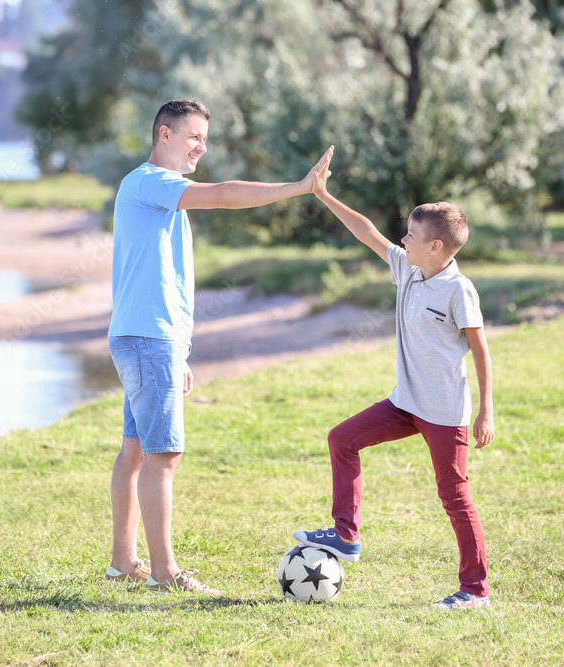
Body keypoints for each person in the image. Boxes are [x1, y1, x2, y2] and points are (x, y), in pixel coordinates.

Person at [104, 99, 334, 595]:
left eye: (205, 140)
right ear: (163, 134)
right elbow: (227, 195)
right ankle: (164, 574)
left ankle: (124, 562)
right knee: (163, 456)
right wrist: (299, 186)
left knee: (136, 450)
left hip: (147, 337)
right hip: (148, 339)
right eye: (193, 138)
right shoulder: (152, 183)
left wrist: (180, 352)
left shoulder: (150, 191)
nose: (201, 148)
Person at [293, 147, 496, 610]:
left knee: (455, 498)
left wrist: (485, 411)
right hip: (405, 402)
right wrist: (324, 195)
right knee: (341, 439)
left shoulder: (458, 290)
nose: (403, 239)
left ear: (436, 247)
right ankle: (346, 535)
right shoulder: (408, 268)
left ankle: (475, 590)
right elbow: (367, 231)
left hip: (444, 412)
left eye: (411, 234)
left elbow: (481, 350)